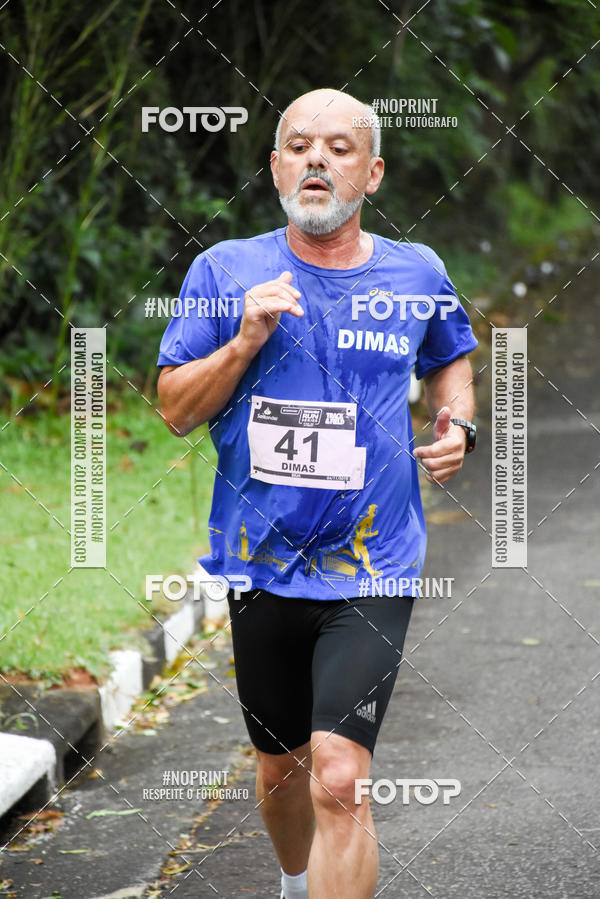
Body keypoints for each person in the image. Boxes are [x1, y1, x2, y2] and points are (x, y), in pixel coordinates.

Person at [157, 88, 477, 899]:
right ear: (274, 168)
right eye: (298, 146)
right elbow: (174, 410)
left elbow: (451, 355)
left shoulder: (418, 271)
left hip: (374, 561)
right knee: (282, 769)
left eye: (338, 148)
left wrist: (459, 426)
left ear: (372, 173)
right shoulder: (224, 270)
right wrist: (244, 341)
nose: (316, 160)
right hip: (261, 560)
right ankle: (296, 882)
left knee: (337, 775)